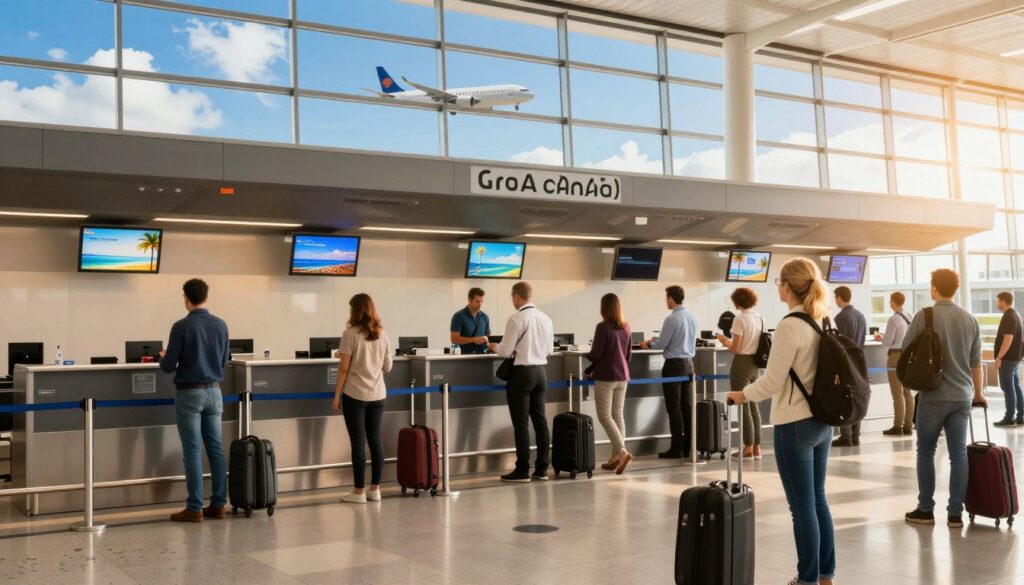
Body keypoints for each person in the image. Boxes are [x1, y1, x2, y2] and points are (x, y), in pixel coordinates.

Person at [726, 258, 836, 585]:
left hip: (795, 424)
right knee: (818, 499)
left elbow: (771, 382)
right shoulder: (825, 320)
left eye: (778, 282)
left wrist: (741, 395)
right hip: (822, 421)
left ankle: (807, 579)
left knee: (801, 507)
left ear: (786, 287)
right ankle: (825, 575)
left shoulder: (790, 325)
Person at [903, 269, 987, 529]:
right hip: (962, 396)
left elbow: (906, 349)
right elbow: (976, 363)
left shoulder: (924, 315)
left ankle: (926, 510)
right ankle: (955, 515)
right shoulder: (970, 319)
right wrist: (979, 393)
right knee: (958, 454)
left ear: (934, 288)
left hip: (933, 394)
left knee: (926, 452)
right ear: (956, 289)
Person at [158, 278, 230, 523]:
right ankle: (219, 504)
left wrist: (164, 357)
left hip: (189, 394)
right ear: (206, 297)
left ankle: (195, 507)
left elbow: (168, 366)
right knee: (216, 450)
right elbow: (224, 361)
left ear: (186, 298)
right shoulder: (221, 325)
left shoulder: (181, 326)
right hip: (214, 392)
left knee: (192, 451)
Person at [489, 282, 554, 483]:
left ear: (516, 296)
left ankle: (522, 469)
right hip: (541, 373)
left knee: (522, 424)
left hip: (521, 375)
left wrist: (493, 346)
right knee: (540, 421)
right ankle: (542, 469)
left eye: (512, 297)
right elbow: (550, 350)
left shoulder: (516, 319)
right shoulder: (546, 318)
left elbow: (506, 351)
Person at [332, 294, 393, 504]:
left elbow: (343, 369)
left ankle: (358, 492)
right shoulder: (382, 333)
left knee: (357, 442)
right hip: (378, 395)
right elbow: (388, 367)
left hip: (355, 395)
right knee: (375, 440)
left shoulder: (350, 334)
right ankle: (375, 489)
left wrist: (337, 395)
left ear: (355, 310)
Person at [640, 285, 698, 459]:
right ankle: (689, 447)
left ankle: (676, 449)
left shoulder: (671, 319)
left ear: (671, 298)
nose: (666, 301)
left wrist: (649, 344)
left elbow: (661, 345)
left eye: (666, 298)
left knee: (674, 409)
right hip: (689, 365)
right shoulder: (692, 317)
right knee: (686, 408)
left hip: (674, 366)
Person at [586, 293, 633, 474]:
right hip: (623, 376)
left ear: (604, 308)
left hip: (606, 376)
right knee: (618, 415)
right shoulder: (626, 326)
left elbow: (596, 355)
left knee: (604, 416)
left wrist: (587, 354)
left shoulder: (602, 327)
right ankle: (615, 457)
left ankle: (621, 452)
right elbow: (628, 355)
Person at [716, 287, 763, 460]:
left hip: (742, 363)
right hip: (755, 363)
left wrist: (723, 340)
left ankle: (748, 448)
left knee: (742, 403)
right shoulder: (760, 318)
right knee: (753, 403)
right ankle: (757, 447)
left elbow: (735, 348)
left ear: (737, 302)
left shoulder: (740, 319)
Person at [831, 285, 867, 448]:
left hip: (845, 362)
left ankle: (846, 436)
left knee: (843, 397)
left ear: (839, 298)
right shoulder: (860, 315)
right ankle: (855, 436)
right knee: (857, 397)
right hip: (859, 362)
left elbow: (838, 342)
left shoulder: (841, 317)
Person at [874, 292, 915, 436]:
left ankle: (898, 426)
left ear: (894, 302)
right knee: (907, 393)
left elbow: (887, 342)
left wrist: (880, 337)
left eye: (890, 301)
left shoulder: (893, 319)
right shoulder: (909, 316)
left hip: (895, 357)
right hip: (907, 356)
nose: (889, 304)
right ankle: (908, 426)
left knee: (897, 393)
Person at [993, 291, 1024, 427]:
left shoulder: (1008, 316)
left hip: (1008, 359)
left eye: (997, 300)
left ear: (1004, 301)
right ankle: (1021, 416)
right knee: (1016, 387)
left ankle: (1009, 417)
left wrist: (999, 357)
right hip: (1015, 358)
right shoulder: (1016, 315)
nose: (996, 303)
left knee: (1008, 388)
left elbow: (1008, 338)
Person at [450, 287, 491, 355]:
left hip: (482, 357)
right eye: (477, 301)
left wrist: (486, 339)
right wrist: (473, 339)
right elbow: (454, 339)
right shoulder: (459, 316)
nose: (480, 304)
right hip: (464, 358)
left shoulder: (485, 317)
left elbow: (488, 336)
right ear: (469, 300)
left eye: (481, 301)